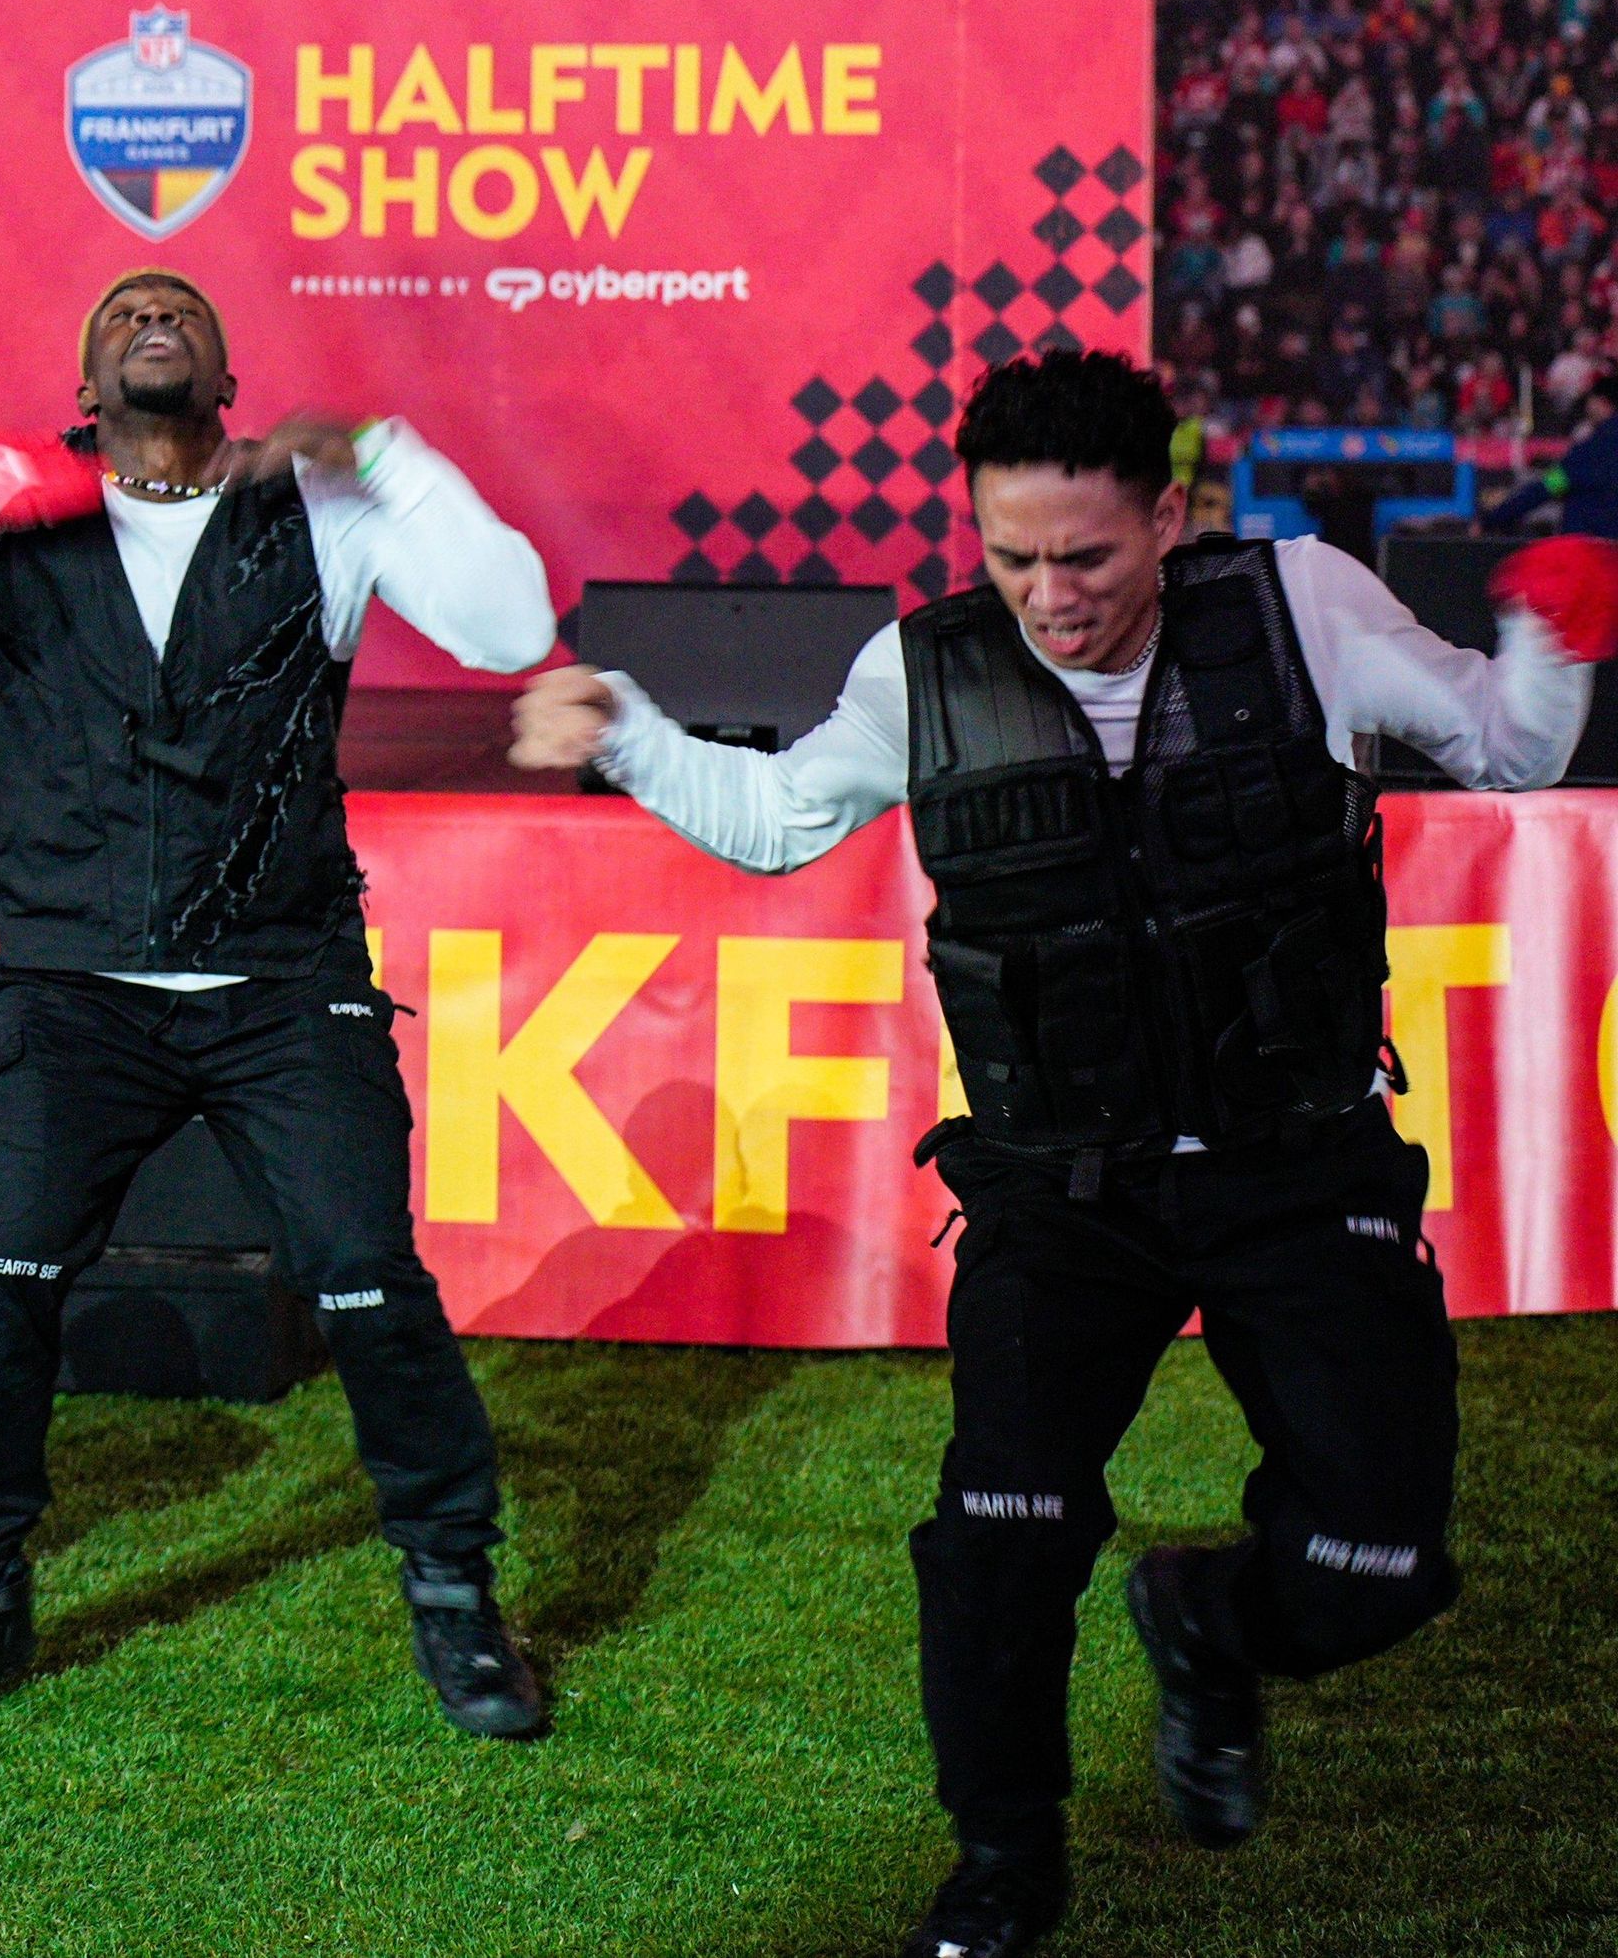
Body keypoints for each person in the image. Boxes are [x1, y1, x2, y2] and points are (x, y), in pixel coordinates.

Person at [510, 348, 1612, 1958]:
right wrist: (621, 725)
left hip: (1297, 1167)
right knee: (997, 1543)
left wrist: (1554, 627)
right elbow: (773, 820)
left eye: (1086, 556)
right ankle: (1004, 1865)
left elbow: (1510, 746)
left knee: (1382, 1561)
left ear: (1169, 512)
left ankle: (1210, 1622)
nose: (1048, 593)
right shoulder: (924, 668)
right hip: (1056, 1190)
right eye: (1011, 555)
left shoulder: (1301, 603)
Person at [0, 267, 566, 1739]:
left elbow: (514, 628)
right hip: (70, 988)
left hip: (283, 984)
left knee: (363, 1283)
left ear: (227, 373)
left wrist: (383, 452)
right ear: (85, 382)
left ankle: (456, 1595)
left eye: (182, 307)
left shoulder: (324, 511)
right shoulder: (4, 519)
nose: (155, 314)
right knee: (0, 1284)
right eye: (124, 308)